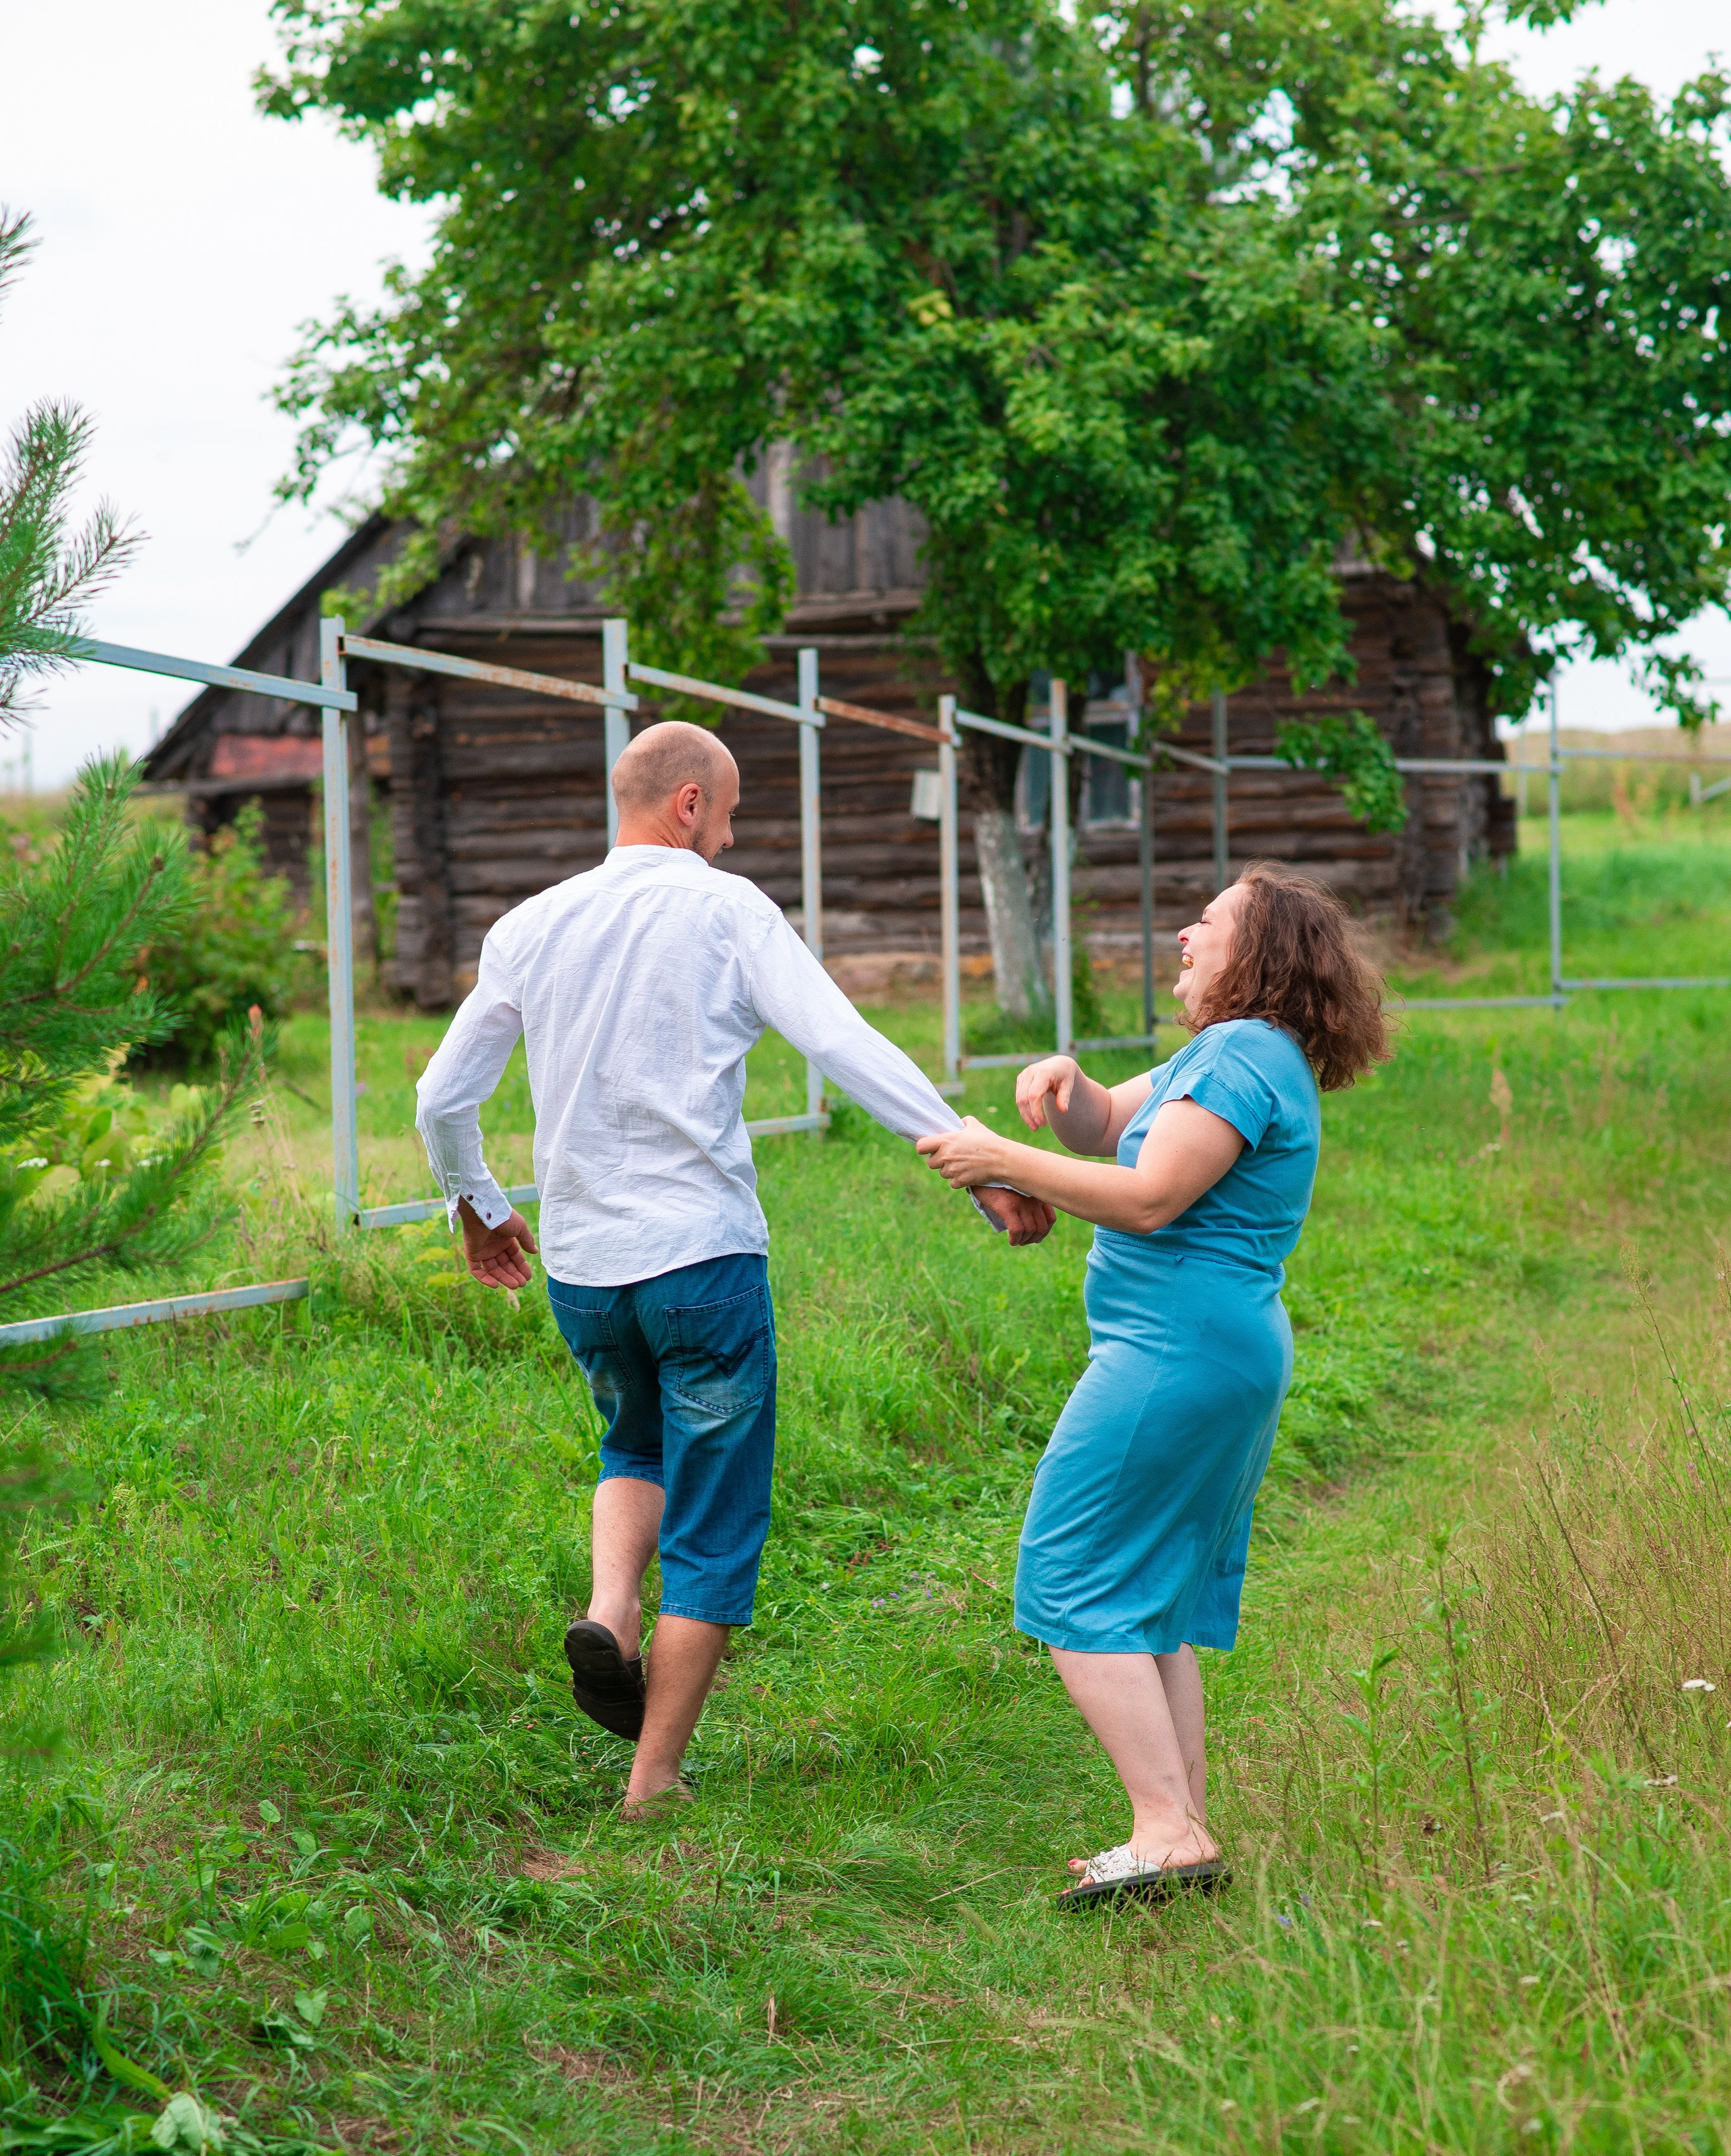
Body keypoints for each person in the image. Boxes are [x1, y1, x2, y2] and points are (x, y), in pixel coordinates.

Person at [415, 718, 1052, 1816]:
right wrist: (973, 1161)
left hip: (585, 1270)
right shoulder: (724, 910)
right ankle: (651, 1786)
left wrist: (479, 1207)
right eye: (734, 813)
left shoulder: (530, 925)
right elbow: (844, 1042)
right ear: (691, 804)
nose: (729, 836)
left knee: (632, 1441)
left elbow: (439, 1097)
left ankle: (611, 1613)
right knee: (713, 1518)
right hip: (702, 1261)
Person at [916, 864, 1388, 1907]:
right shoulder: (1221, 1054)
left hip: (1177, 1353)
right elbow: (1107, 1131)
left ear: (1257, 955)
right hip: (1206, 1350)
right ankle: (1180, 1831)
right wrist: (1069, 1083)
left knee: (1070, 1576)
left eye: (1209, 923)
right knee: (1149, 1599)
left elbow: (1150, 1197)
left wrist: (1003, 1157)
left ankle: (1166, 1829)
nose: (1184, 933)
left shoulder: (1244, 1055)